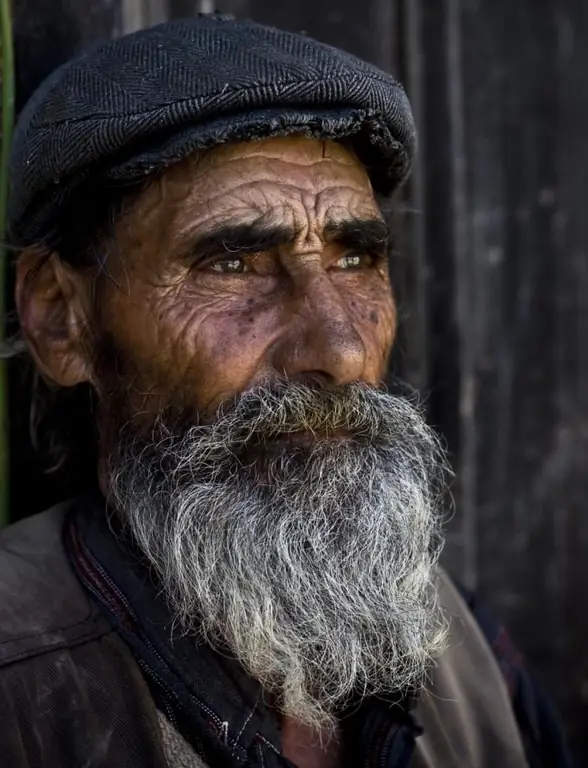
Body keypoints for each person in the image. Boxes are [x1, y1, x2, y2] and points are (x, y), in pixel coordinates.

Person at [0, 14, 573, 768]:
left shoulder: (460, 649)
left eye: (355, 257)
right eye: (233, 264)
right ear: (61, 319)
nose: (338, 350)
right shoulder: (21, 683)